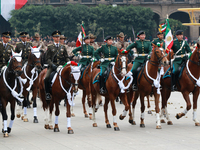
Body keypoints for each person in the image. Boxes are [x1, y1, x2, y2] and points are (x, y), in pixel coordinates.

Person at [44, 30, 70, 100]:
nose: (57, 38)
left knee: (69, 76)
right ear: (53, 38)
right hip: (53, 66)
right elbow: (47, 58)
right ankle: (47, 93)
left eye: (58, 37)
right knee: (46, 78)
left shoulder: (63, 47)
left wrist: (69, 63)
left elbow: (66, 57)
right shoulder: (50, 47)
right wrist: (52, 65)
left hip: (62, 65)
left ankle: (69, 92)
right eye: (56, 37)